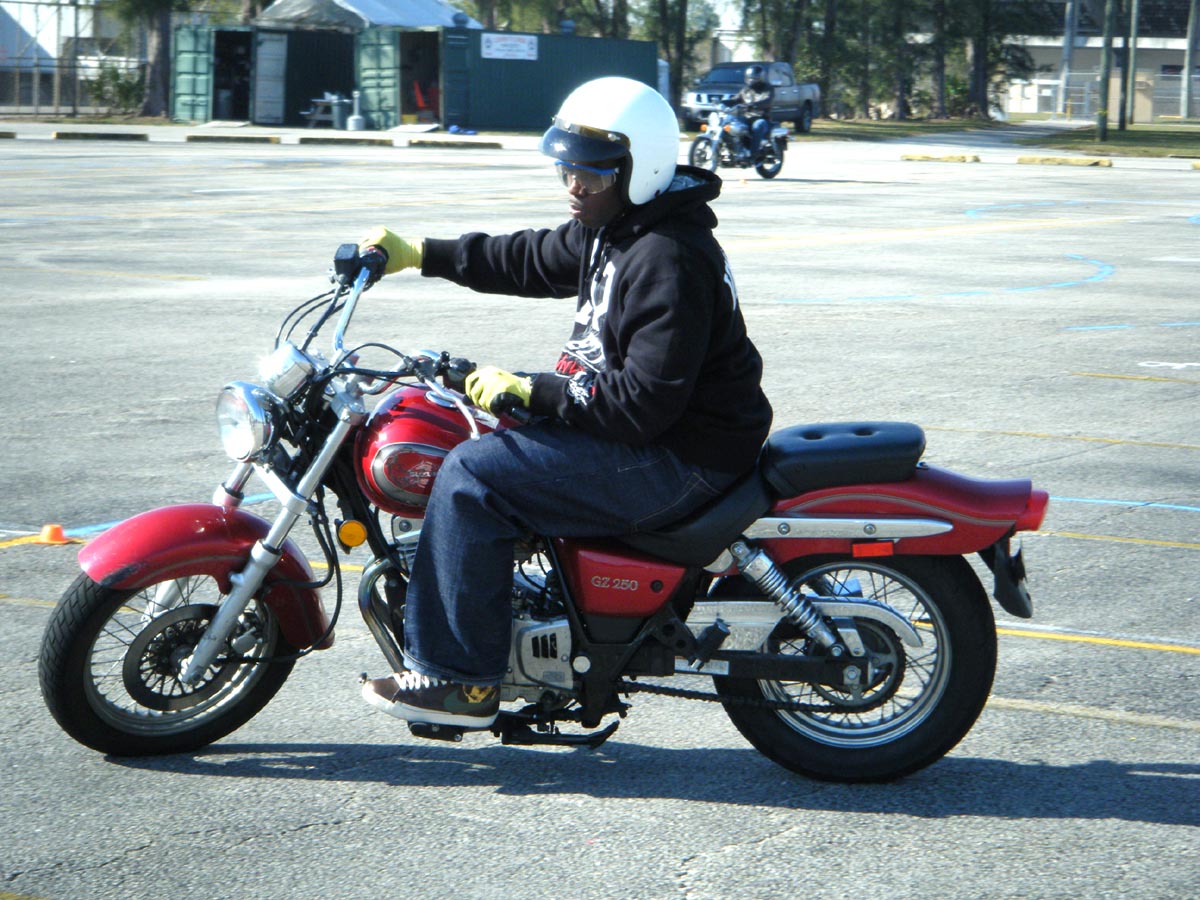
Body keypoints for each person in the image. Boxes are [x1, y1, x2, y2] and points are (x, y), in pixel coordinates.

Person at [357, 76, 773, 729]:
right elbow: (527, 258)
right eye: (567, 170)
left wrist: (535, 390)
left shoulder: (667, 258)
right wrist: (419, 254)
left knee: (471, 477)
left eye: (592, 173)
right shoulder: (618, 226)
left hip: (681, 456)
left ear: (640, 169)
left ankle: (461, 680)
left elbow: (641, 406)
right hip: (648, 431)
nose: (574, 186)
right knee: (477, 428)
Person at [729, 64, 774, 157]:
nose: (751, 80)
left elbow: (767, 100)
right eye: (749, 78)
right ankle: (735, 149)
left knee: (758, 126)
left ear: (761, 78)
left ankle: (754, 154)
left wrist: (754, 105)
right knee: (732, 124)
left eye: (754, 78)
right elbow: (736, 99)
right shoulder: (746, 90)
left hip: (761, 117)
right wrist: (723, 102)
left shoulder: (767, 88)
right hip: (746, 117)